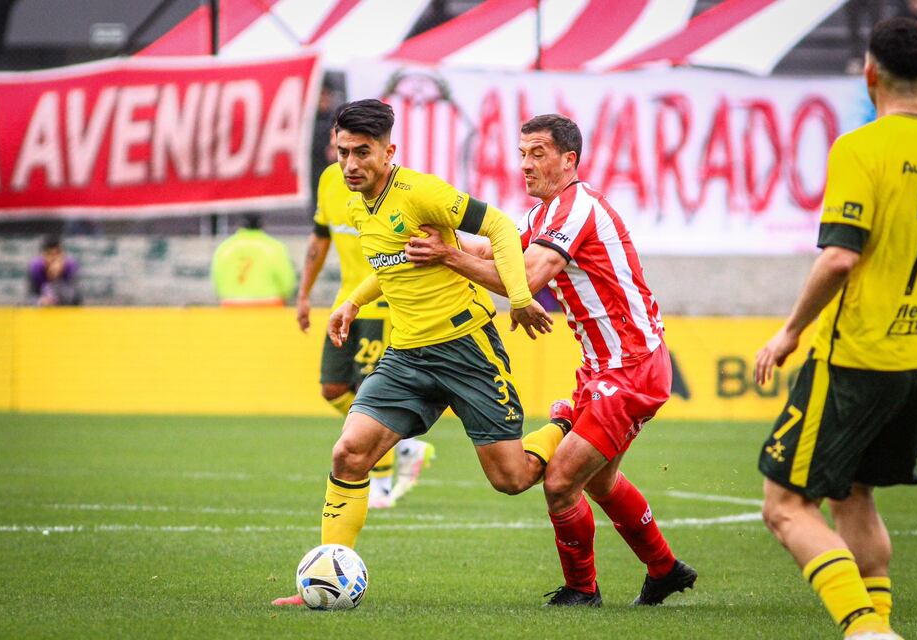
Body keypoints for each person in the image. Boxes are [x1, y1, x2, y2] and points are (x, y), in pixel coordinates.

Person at [273, 98, 562, 606]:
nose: (351, 165)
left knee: (512, 479)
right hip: (407, 355)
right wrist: (350, 303)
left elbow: (497, 226)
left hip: (466, 347)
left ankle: (563, 421)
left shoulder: (421, 192)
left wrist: (519, 298)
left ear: (390, 152)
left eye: (363, 153)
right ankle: (325, 579)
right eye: (343, 153)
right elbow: (390, 266)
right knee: (349, 453)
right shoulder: (356, 200)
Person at [405, 114, 696, 607]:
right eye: (521, 154)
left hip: (631, 366)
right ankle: (665, 569)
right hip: (607, 367)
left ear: (569, 160)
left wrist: (448, 258)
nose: (525, 164)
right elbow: (496, 251)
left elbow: (527, 279)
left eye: (537, 154)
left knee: (561, 481)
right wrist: (445, 234)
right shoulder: (545, 216)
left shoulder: (575, 209)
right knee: (599, 480)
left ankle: (583, 591)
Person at [754, 18, 917, 640]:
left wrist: (791, 331)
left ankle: (864, 630)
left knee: (785, 506)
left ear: (871, 73)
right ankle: (876, 620)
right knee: (854, 493)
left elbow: (840, 256)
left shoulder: (861, 149)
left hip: (857, 356)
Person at [296, 131, 434, 511]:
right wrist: (305, 293)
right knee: (333, 387)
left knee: (370, 393)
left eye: (358, 149)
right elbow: (320, 237)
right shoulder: (327, 181)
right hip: (346, 303)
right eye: (340, 148)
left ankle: (382, 485)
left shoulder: (394, 188)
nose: (347, 158)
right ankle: (404, 444)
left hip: (385, 303)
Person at [210, 214, 296, 307]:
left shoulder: (225, 247)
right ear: (262, 226)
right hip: (269, 305)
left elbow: (216, 279)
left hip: (231, 305)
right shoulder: (275, 247)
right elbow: (287, 282)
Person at [27, 234, 82, 306]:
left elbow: (76, 298)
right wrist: (40, 301)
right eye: (49, 254)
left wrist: (56, 278)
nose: (54, 258)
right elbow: (29, 297)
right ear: (43, 255)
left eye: (58, 253)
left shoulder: (70, 266)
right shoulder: (36, 267)